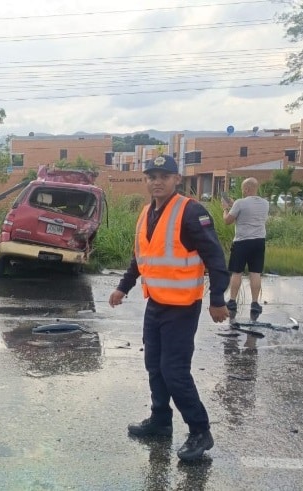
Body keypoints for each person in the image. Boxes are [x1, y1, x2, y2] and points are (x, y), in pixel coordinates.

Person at [107, 155, 229, 462]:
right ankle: (161, 420)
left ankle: (200, 431)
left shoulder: (191, 211)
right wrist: (124, 286)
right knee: (154, 366)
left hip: (183, 307)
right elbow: (142, 256)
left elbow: (215, 257)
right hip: (156, 304)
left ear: (177, 179)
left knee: (174, 371)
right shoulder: (147, 212)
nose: (156, 181)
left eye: (164, 175)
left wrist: (217, 299)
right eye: (151, 176)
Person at [222, 177, 270, 320]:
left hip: (242, 242)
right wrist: (234, 204)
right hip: (259, 241)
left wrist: (225, 208)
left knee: (237, 272)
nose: (242, 191)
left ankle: (232, 301)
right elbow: (249, 210)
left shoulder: (240, 203)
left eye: (243, 189)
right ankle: (255, 303)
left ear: (247, 189)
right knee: (255, 273)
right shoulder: (265, 203)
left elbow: (227, 221)